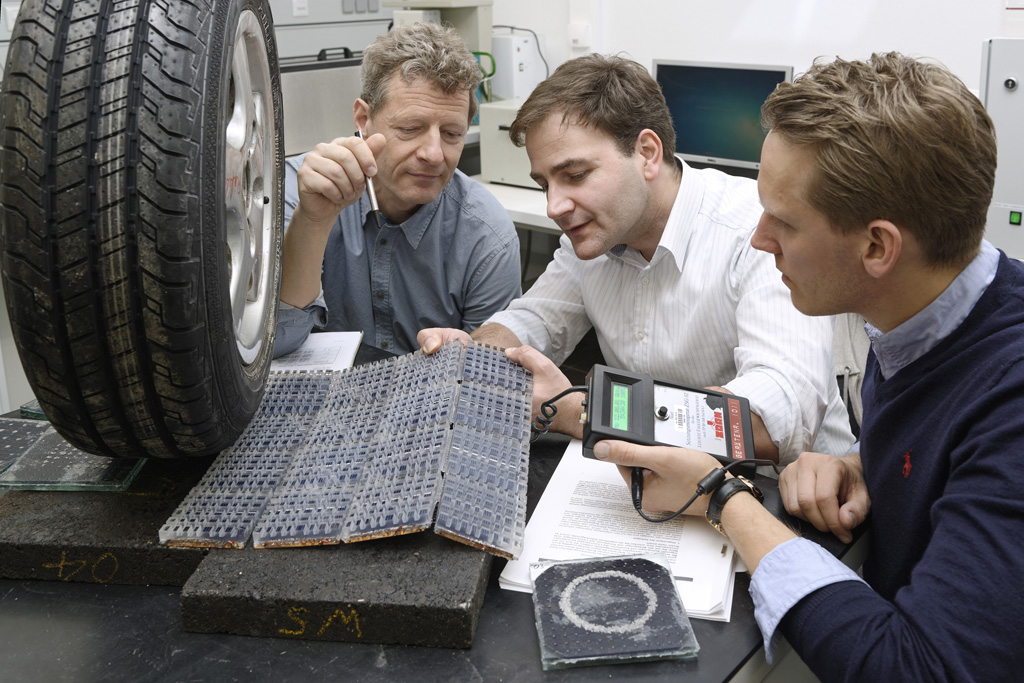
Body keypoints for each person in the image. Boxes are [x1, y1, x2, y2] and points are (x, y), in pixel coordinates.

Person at [592, 52, 1024, 681]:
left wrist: (723, 498)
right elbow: (943, 440)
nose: (760, 238)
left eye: (784, 221)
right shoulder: (922, 308)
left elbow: (921, 669)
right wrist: (862, 463)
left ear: (878, 246)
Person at [419, 54, 853, 465]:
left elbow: (774, 418)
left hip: (791, 497)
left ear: (647, 153)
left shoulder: (752, 234)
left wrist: (576, 411)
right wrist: (474, 354)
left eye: (575, 176)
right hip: (663, 484)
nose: (554, 206)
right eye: (544, 183)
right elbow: (532, 321)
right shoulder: (591, 237)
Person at [274, 22, 521, 357]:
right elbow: (275, 344)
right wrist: (313, 221)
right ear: (363, 118)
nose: (434, 154)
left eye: (451, 133)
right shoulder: (298, 190)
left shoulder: (486, 236)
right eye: (410, 128)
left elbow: (487, 377)